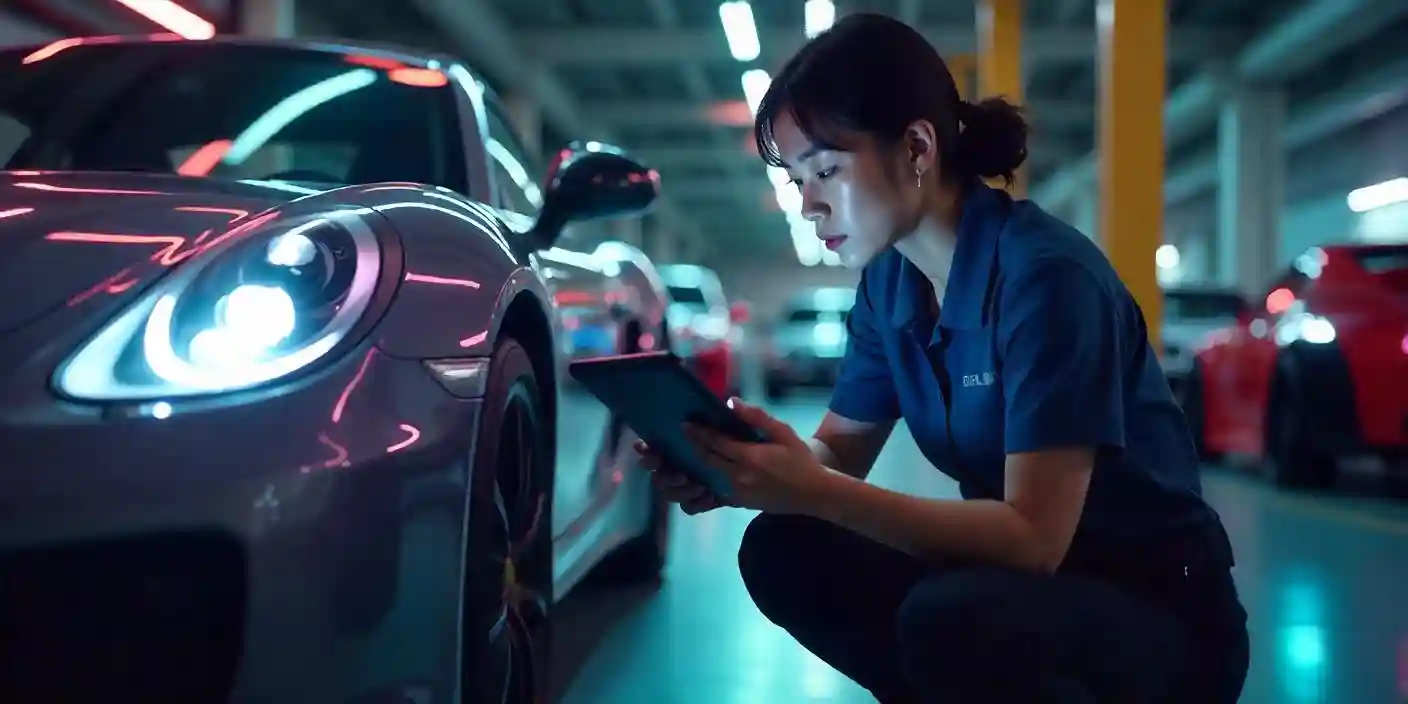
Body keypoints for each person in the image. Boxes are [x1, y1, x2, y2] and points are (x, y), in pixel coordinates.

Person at [634, 12, 1250, 704]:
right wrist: (739, 468)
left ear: (917, 149)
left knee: (952, 618)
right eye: (797, 180)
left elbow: (1031, 539)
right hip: (1031, 595)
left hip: (1157, 615)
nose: (808, 204)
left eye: (826, 170)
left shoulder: (1045, 278)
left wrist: (814, 489)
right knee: (785, 551)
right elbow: (837, 455)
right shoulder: (889, 283)